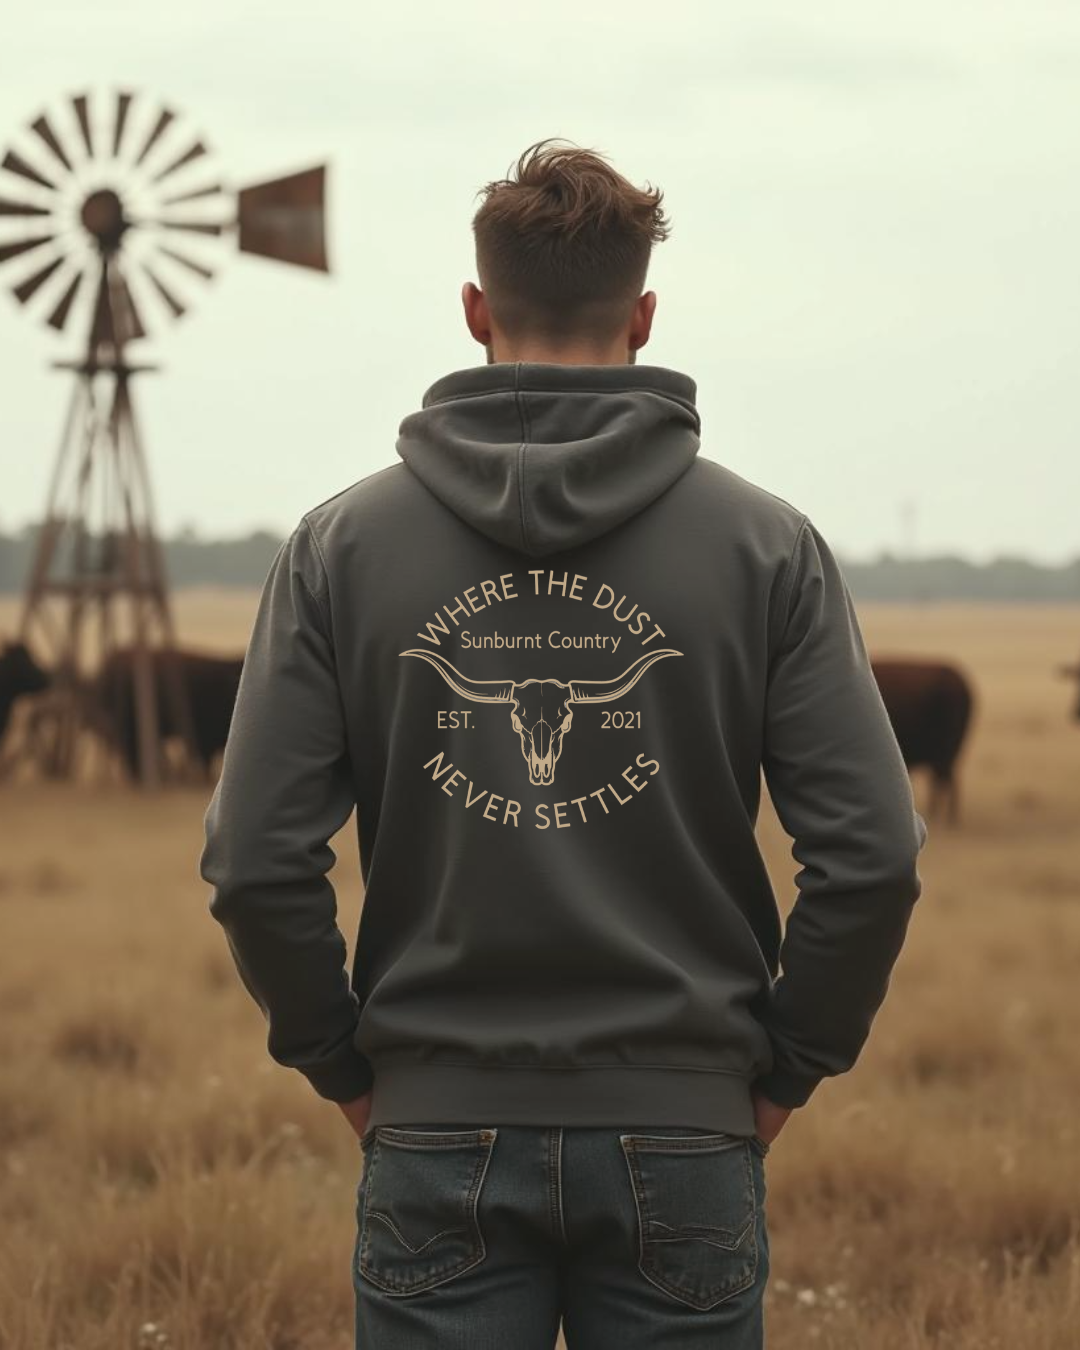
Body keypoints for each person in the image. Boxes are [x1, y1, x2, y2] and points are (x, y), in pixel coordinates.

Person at [199, 137, 928, 1349]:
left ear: (476, 309)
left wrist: (348, 1069)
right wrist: (783, 1072)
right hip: (689, 1126)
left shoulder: (340, 548)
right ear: (643, 314)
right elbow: (875, 859)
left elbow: (256, 863)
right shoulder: (766, 546)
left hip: (432, 1121)